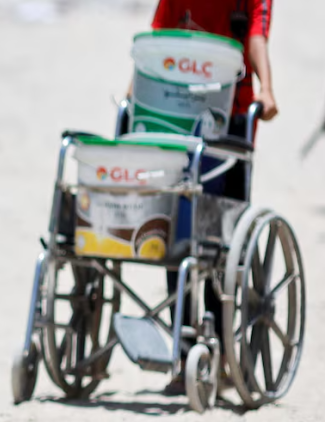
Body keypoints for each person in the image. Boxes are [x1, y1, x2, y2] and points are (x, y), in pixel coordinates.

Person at [135, 1, 277, 395]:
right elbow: (158, 41)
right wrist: (135, 89)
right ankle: (186, 355)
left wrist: (265, 88)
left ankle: (217, 353)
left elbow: (256, 37)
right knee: (180, 229)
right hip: (177, 114)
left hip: (229, 118)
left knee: (216, 238)